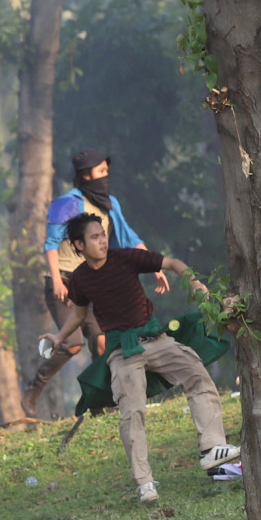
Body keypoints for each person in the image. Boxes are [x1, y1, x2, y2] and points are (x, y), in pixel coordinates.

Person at [43, 213, 240, 503]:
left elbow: (172, 263)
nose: (102, 240)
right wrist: (59, 338)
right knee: (132, 412)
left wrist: (195, 283)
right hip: (123, 353)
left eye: (103, 234)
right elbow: (80, 313)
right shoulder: (82, 279)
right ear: (78, 245)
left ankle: (212, 449)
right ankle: (145, 483)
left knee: (197, 374)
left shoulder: (125, 258)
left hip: (157, 340)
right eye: (94, 237)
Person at [22, 148, 168, 417]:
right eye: (100, 172)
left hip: (92, 282)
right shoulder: (67, 203)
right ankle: (34, 387)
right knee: (72, 343)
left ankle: (101, 403)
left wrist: (155, 265)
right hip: (64, 281)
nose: (105, 177)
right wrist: (56, 279)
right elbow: (51, 243)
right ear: (85, 175)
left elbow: (127, 236)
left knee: (102, 341)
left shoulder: (110, 203)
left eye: (107, 172)